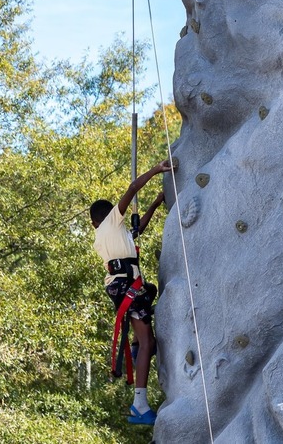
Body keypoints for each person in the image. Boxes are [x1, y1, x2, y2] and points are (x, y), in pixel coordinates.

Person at [91, 159, 172, 426]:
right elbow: (133, 186)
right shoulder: (110, 224)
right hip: (126, 284)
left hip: (123, 283)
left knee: (144, 336)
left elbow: (139, 230)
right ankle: (140, 404)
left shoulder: (110, 234)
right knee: (148, 340)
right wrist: (157, 169)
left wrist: (156, 204)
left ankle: (138, 353)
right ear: (107, 215)